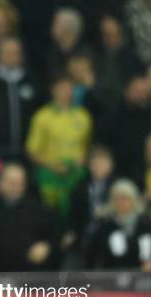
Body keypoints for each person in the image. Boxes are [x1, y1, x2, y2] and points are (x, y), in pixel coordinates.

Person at [0, 163, 59, 271]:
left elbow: (55, 233)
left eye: (19, 183)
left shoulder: (37, 208)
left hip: (27, 273)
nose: (15, 187)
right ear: (0, 182)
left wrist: (46, 246)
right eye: (10, 183)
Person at [26, 75, 92, 222]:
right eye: (61, 87)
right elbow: (32, 151)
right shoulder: (42, 117)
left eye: (69, 88)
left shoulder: (83, 116)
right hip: (50, 178)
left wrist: (82, 159)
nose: (66, 91)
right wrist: (53, 166)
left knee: (77, 216)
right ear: (53, 90)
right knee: (51, 218)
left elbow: (87, 146)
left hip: (76, 177)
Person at [84, 179, 151, 269]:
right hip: (112, 274)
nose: (121, 203)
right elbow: (92, 252)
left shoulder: (145, 224)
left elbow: (150, 254)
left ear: (133, 200)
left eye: (125, 199)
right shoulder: (106, 224)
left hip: (139, 274)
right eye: (117, 199)